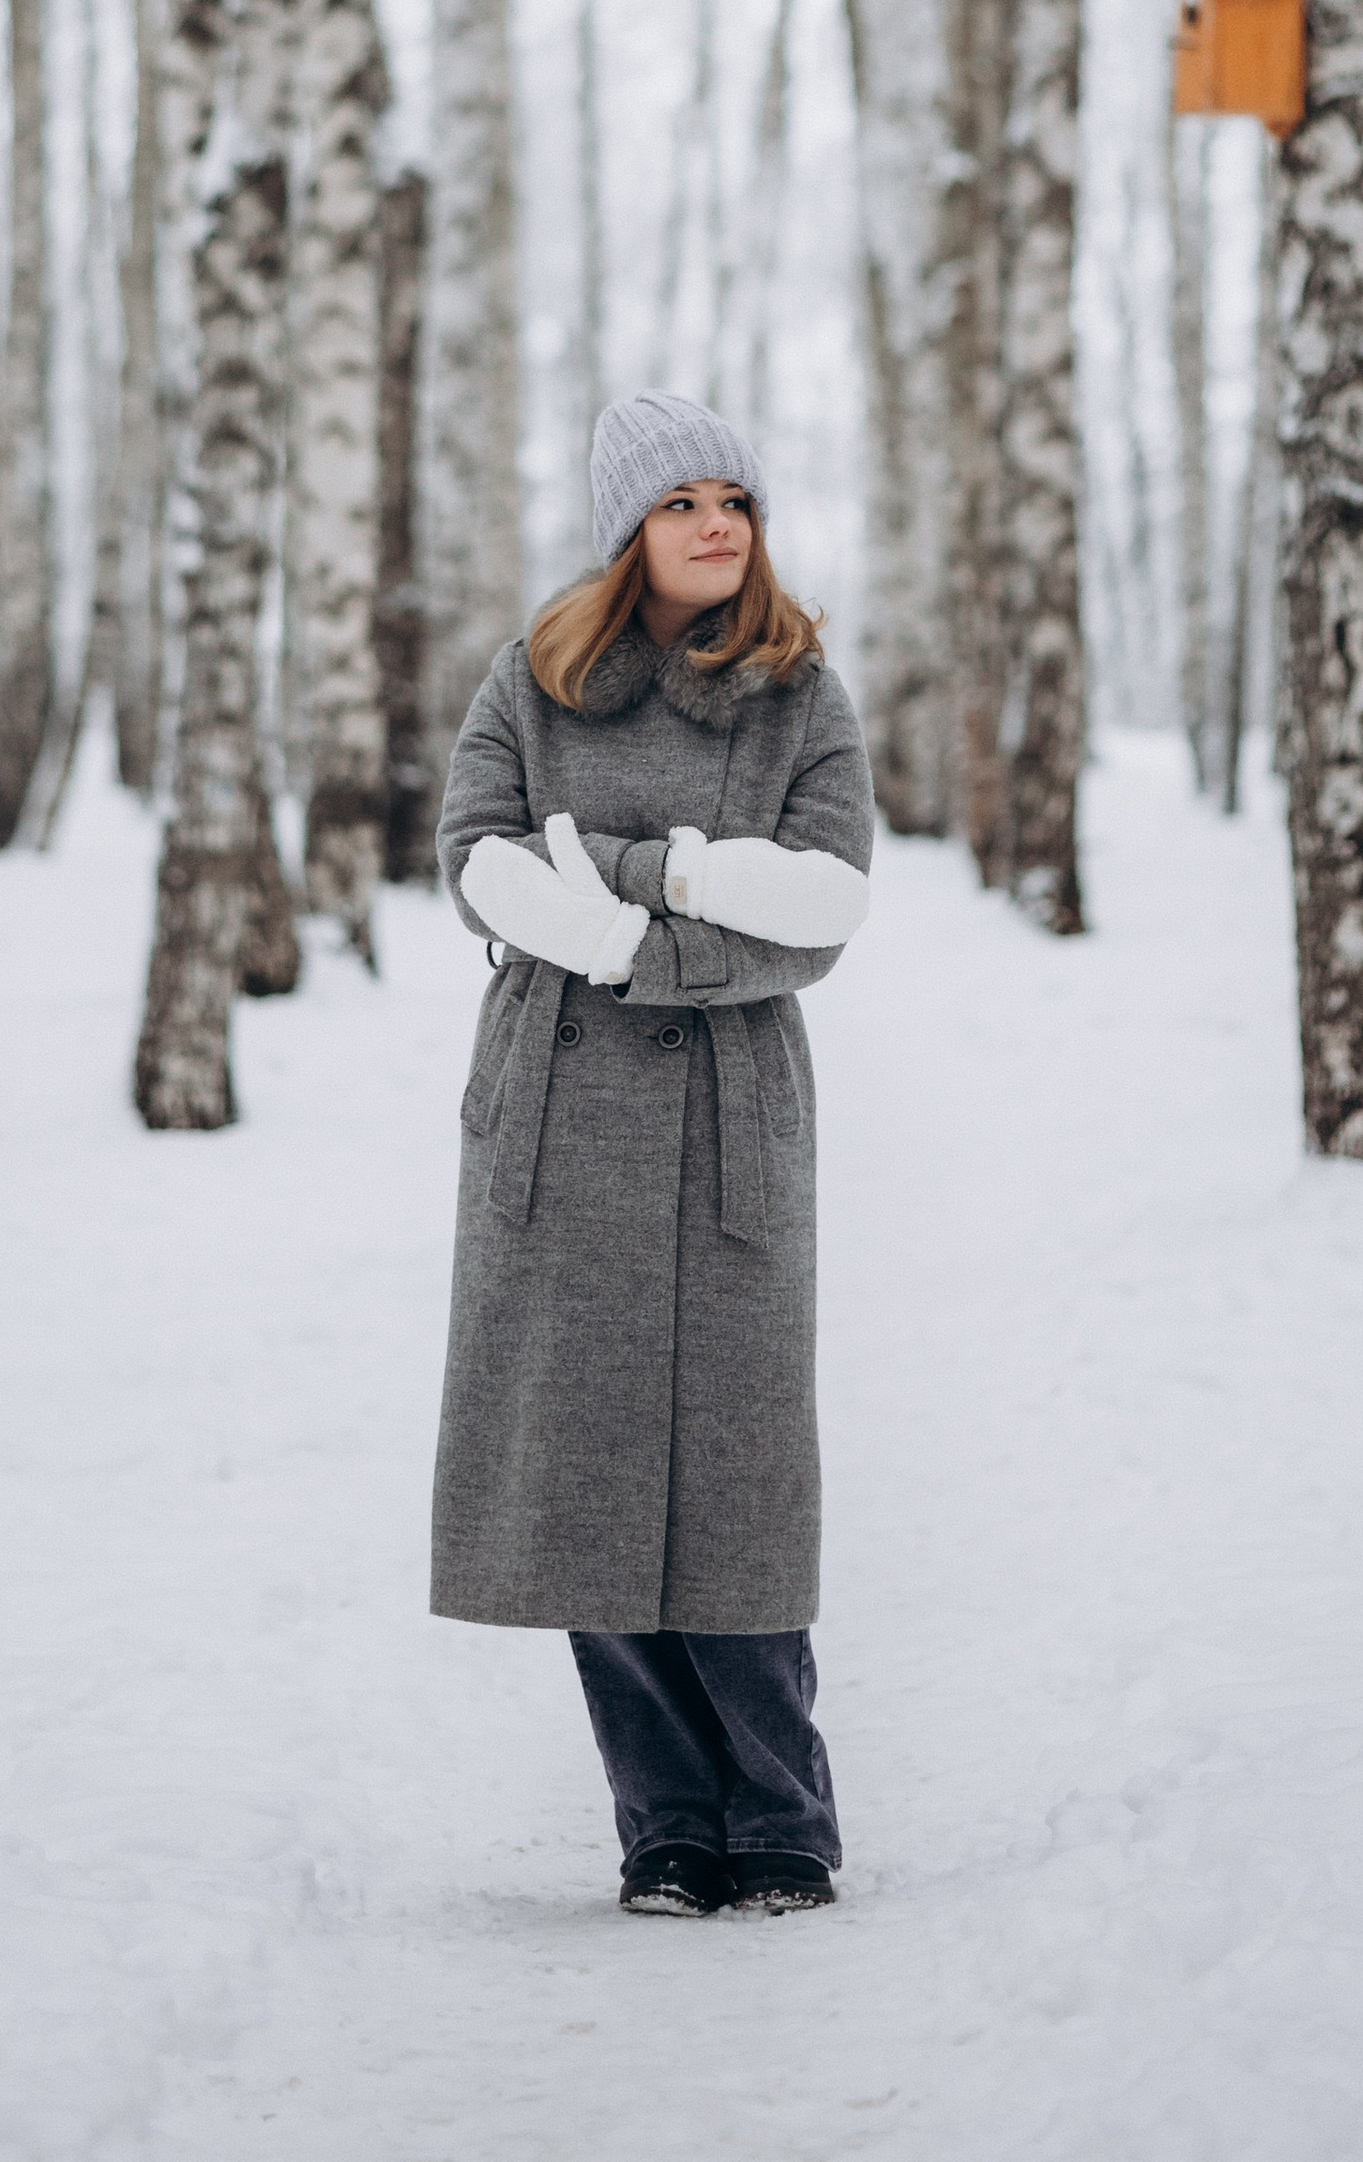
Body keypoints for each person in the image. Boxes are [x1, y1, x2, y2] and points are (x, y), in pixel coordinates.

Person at [430, 390, 876, 1919]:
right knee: (591, 1482)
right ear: (631, 527)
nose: (714, 523)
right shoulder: (535, 674)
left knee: (743, 1486)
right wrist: (676, 902)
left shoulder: (800, 692)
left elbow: (823, 907)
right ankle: (667, 1825)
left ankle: (784, 1819)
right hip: (560, 1129)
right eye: (682, 499)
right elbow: (479, 858)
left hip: (727, 1114)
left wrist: (626, 910)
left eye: (735, 498)